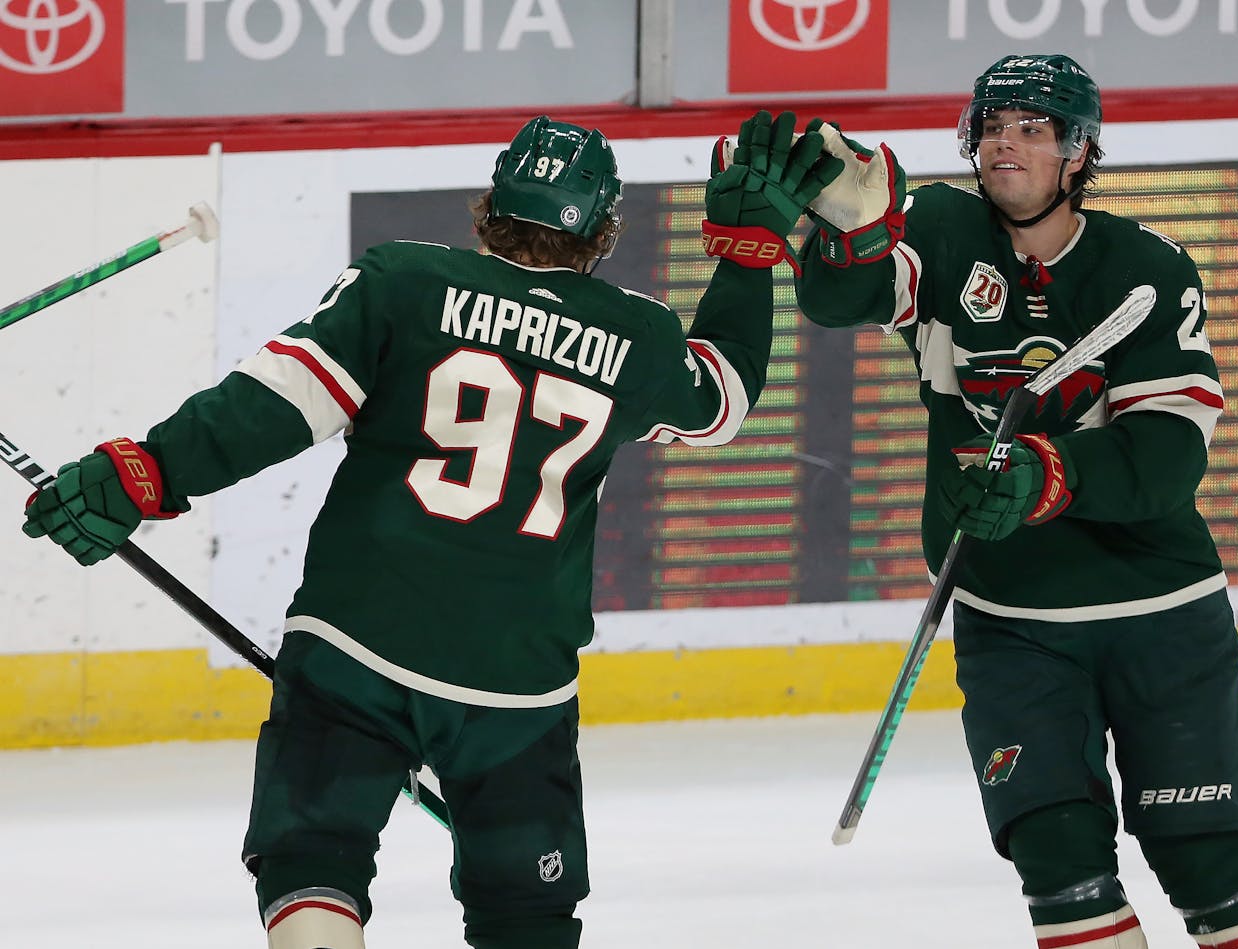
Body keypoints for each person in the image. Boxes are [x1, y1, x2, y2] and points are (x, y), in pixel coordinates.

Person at [21, 112, 839, 949]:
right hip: (516, 685)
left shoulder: (400, 284)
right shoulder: (640, 337)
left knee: (312, 860)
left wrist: (145, 471)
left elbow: (272, 407)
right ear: (602, 231)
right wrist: (747, 253)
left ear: (489, 204)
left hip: (356, 645)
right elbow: (724, 398)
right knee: (527, 913)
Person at [794, 55, 1238, 948]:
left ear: (1078, 154)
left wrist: (1046, 474)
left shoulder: (1145, 267)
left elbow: (1166, 460)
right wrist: (848, 234)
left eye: (1034, 128)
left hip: (1159, 614)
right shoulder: (942, 232)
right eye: (994, 125)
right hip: (1011, 619)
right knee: (1060, 866)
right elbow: (843, 298)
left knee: (1210, 861)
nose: (1006, 143)